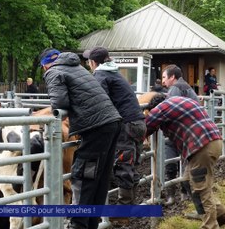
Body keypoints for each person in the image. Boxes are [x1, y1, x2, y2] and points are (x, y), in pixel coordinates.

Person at [40, 48, 122, 229]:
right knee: (99, 179)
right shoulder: (78, 68)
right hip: (111, 122)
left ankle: (78, 224)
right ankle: (91, 223)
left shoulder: (54, 71)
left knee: (84, 175)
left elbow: (60, 103)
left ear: (45, 66)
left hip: (96, 126)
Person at [145, 94, 225, 228]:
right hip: (211, 142)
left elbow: (147, 123)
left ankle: (210, 225)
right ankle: (222, 214)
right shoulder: (182, 101)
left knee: (201, 188)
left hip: (201, 146)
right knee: (187, 181)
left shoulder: (164, 106)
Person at [84, 47, 146, 207]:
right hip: (138, 122)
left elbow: (100, 101)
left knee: (123, 165)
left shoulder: (100, 75)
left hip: (126, 124)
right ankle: (127, 206)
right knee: (131, 165)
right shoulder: (115, 72)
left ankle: (123, 211)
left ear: (93, 62)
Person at [161, 64, 199, 206]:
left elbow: (171, 110)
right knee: (185, 163)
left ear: (172, 77)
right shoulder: (185, 87)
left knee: (171, 162)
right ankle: (184, 193)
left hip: (180, 132)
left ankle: (172, 195)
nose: (163, 81)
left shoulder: (176, 88)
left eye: (164, 77)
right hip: (189, 132)